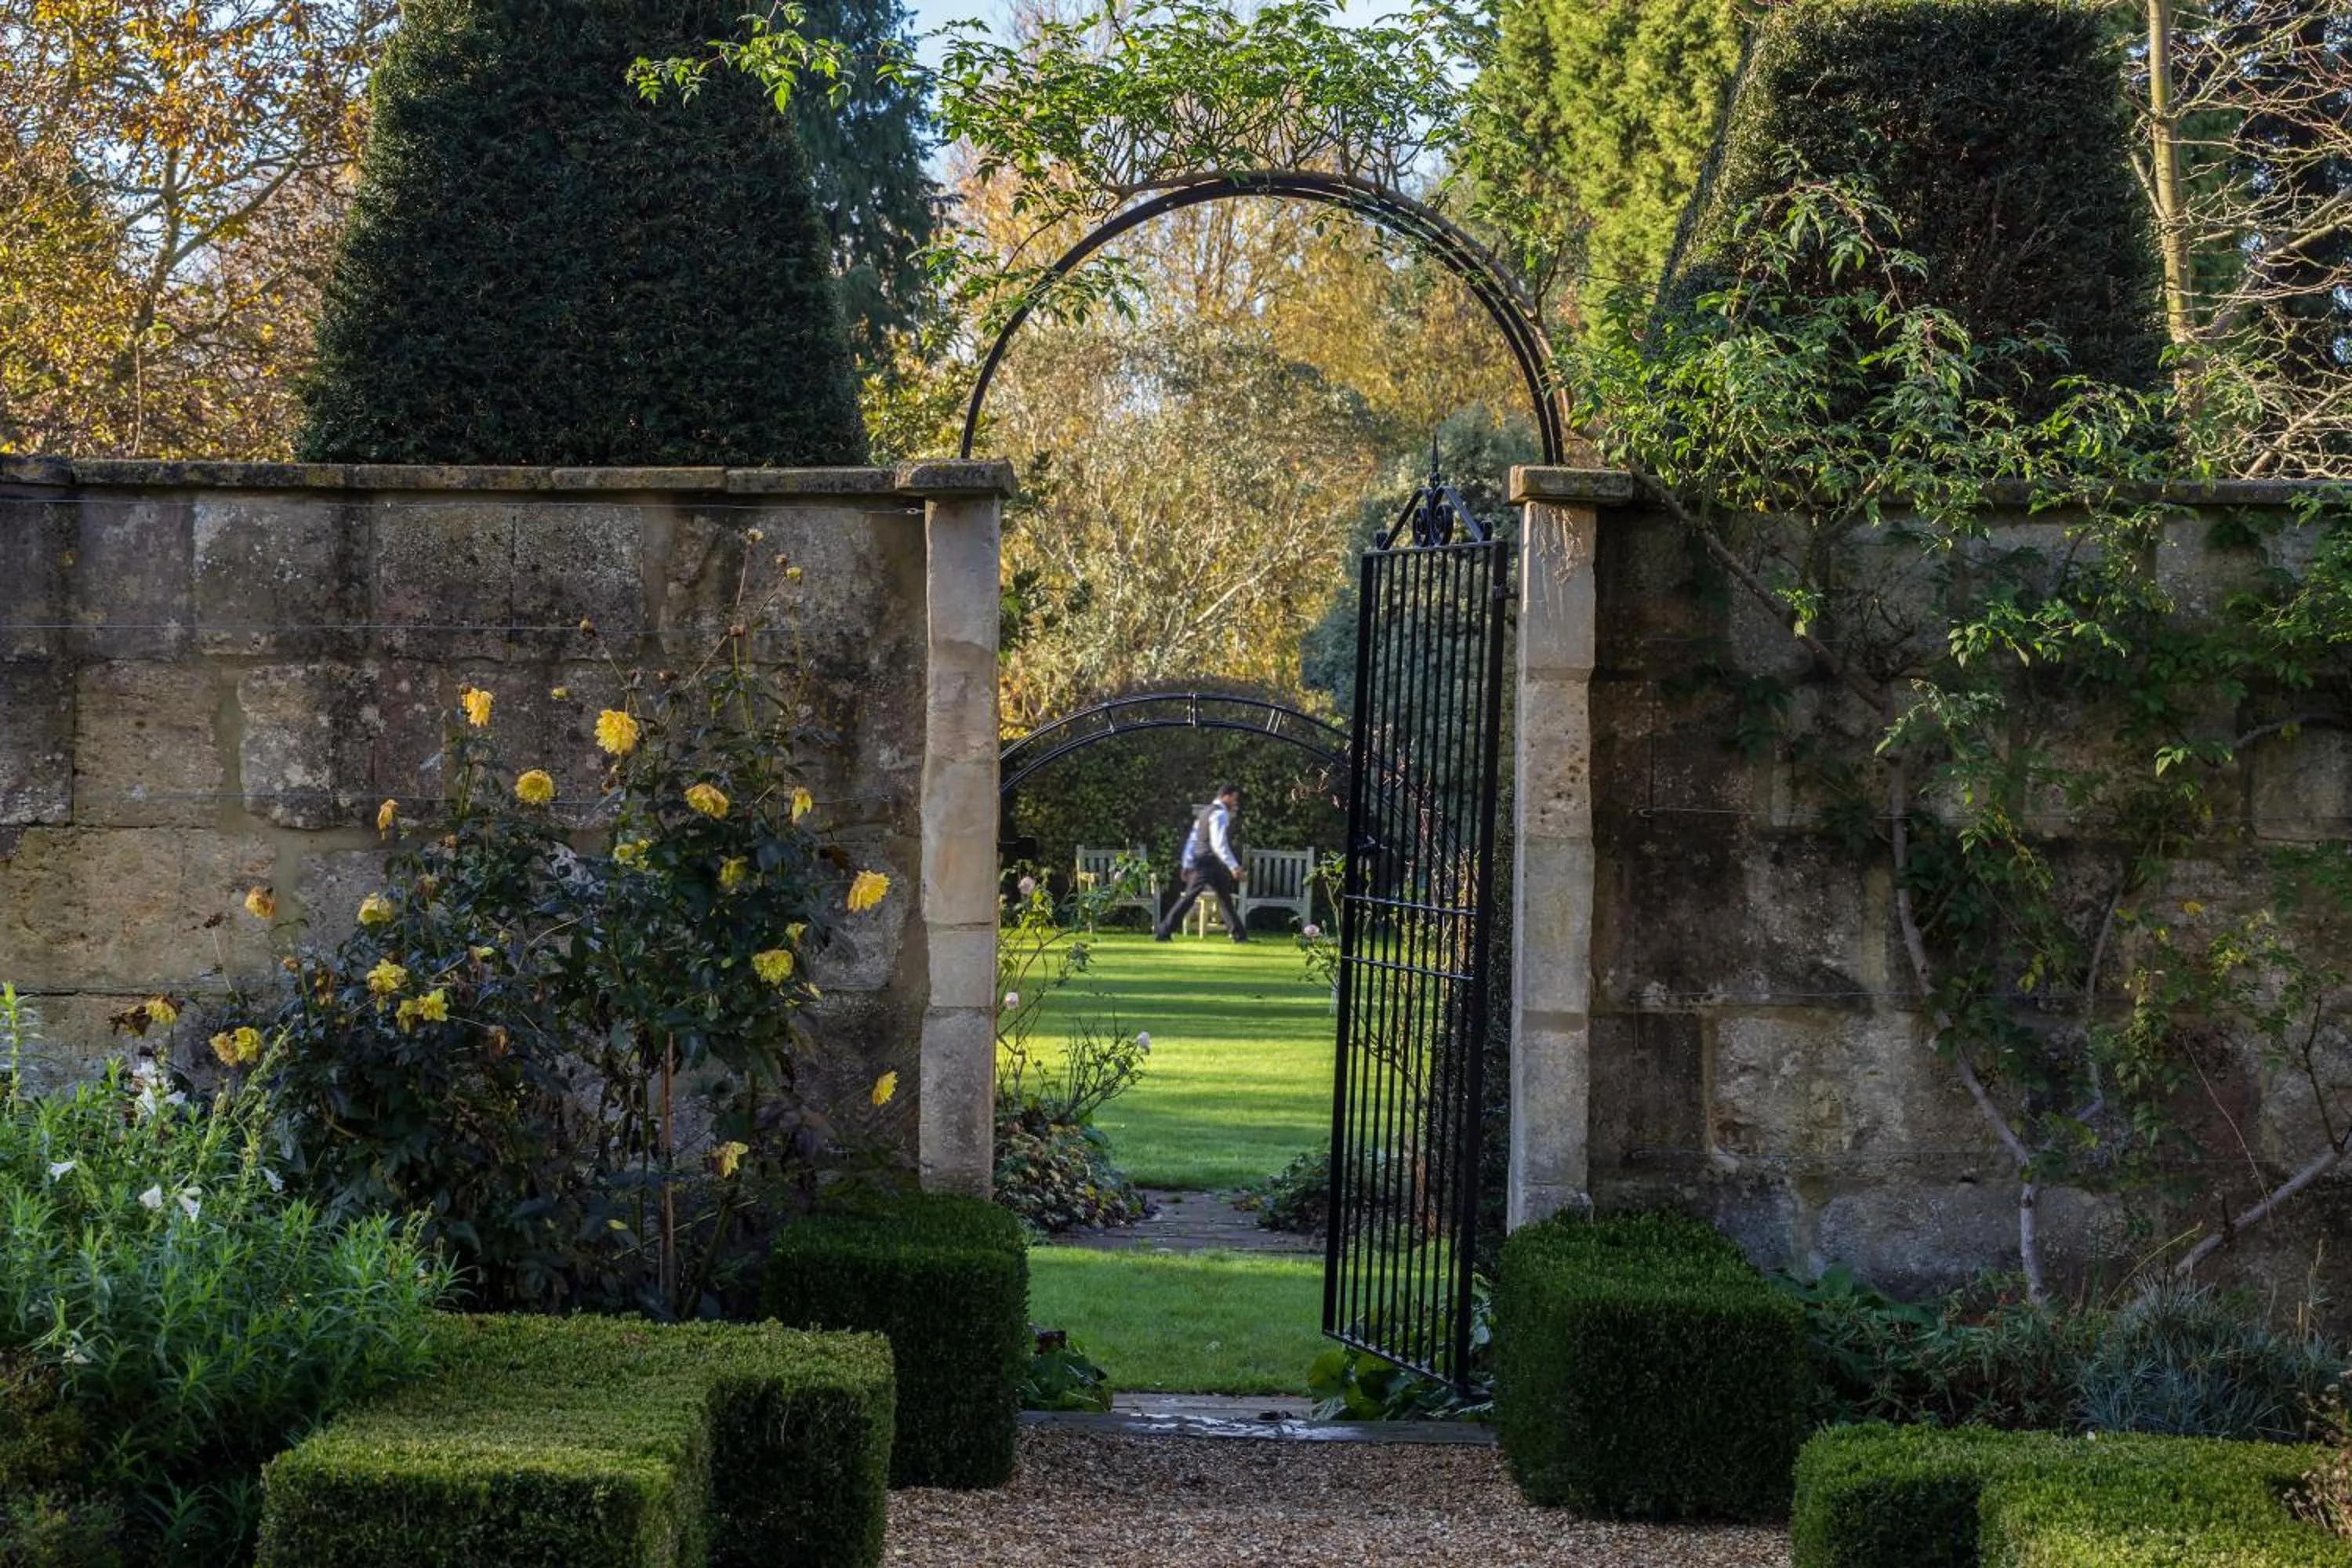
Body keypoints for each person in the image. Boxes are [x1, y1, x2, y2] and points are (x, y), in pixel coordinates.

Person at [1154, 783, 1247, 942]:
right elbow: (1219, 844)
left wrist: (1187, 863)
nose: (1235, 802)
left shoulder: (1205, 812)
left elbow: (1193, 839)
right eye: (1234, 798)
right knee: (1190, 897)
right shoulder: (1220, 814)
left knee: (1224, 897)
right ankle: (1163, 932)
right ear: (1226, 796)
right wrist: (1234, 866)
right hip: (1206, 862)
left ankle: (1239, 935)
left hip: (1204, 861)